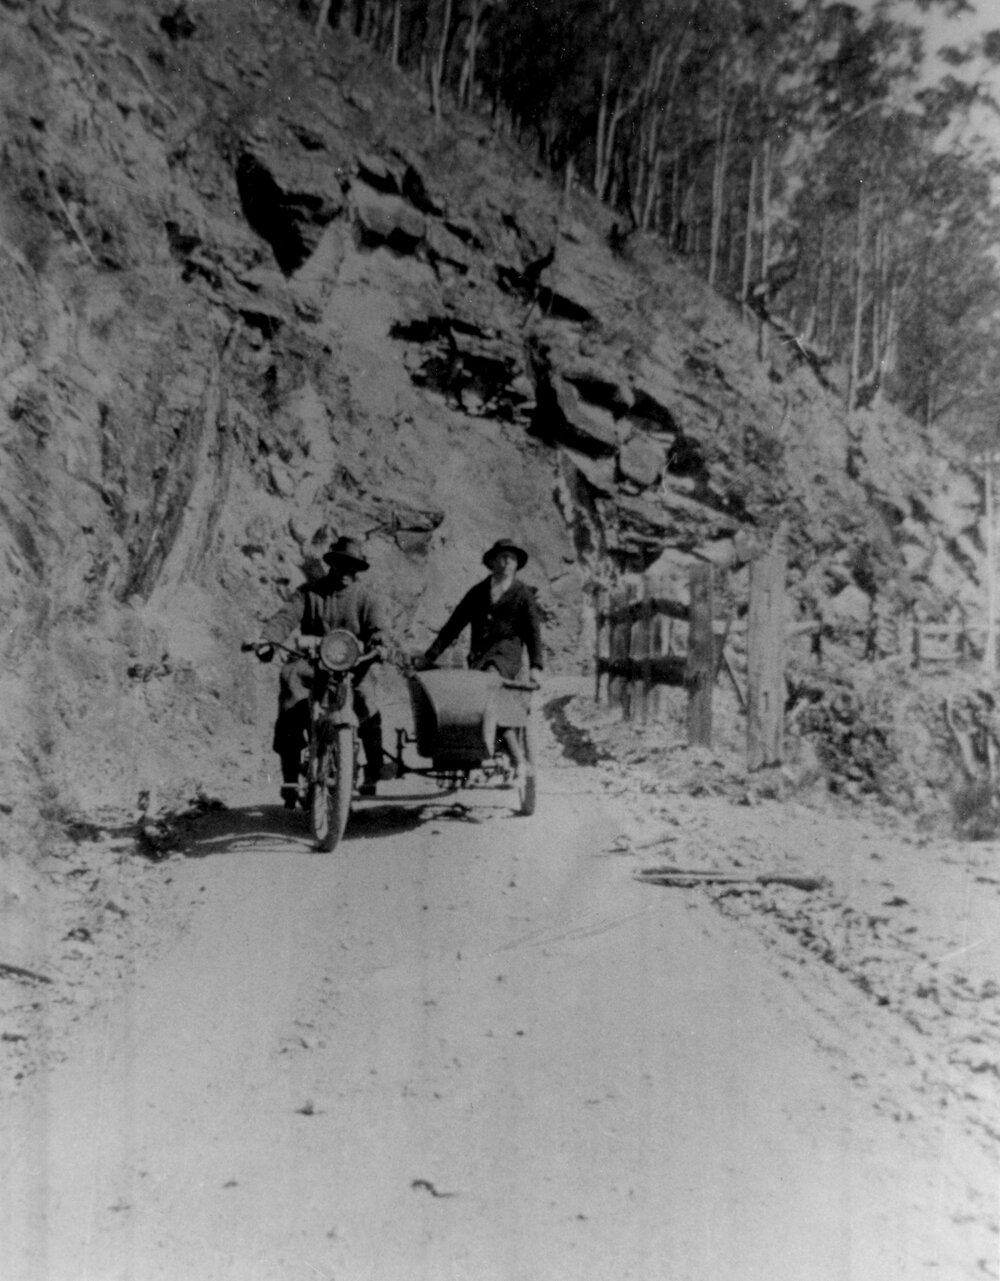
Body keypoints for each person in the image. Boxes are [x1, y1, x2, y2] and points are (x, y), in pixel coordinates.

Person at [254, 535, 394, 805]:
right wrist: (267, 639)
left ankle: (374, 768)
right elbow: (285, 618)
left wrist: (379, 645)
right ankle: (290, 777)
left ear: (358, 570)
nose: (346, 571)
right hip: (313, 664)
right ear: (332, 564)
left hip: (353, 665)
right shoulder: (309, 593)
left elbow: (378, 629)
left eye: (352, 567)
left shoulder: (368, 599)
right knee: (291, 685)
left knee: (367, 699)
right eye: (341, 564)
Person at [420, 537, 543, 771]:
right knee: (471, 702)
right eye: (502, 557)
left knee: (491, 689)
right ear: (492, 562)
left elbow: (533, 632)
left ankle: (517, 759)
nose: (507, 562)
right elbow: (454, 625)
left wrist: (536, 666)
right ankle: (472, 754)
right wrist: (430, 656)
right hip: (479, 657)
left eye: (512, 558)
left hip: (507, 656)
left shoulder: (522, 594)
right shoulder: (478, 592)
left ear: (517, 565)